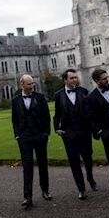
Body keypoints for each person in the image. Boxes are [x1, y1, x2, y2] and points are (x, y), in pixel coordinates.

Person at [11, 74, 52, 209]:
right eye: (29, 84)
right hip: (25, 138)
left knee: (43, 165)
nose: (32, 86)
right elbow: (15, 120)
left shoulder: (40, 98)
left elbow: (47, 117)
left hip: (40, 136)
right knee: (27, 168)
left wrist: (46, 133)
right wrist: (18, 136)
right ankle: (27, 197)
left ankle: (45, 191)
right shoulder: (15, 100)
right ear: (22, 85)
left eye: (32, 83)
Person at [54, 69, 96, 200]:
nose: (74, 80)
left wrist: (91, 128)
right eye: (71, 78)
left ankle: (90, 177)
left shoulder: (83, 92)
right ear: (65, 80)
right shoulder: (58, 95)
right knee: (74, 161)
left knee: (88, 158)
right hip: (69, 133)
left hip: (84, 132)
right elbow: (57, 114)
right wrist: (56, 128)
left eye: (75, 78)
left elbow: (90, 112)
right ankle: (81, 189)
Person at [85, 68, 109, 194]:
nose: (107, 80)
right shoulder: (91, 97)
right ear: (96, 81)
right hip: (107, 133)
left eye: (107, 77)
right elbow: (90, 118)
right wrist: (100, 132)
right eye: (104, 78)